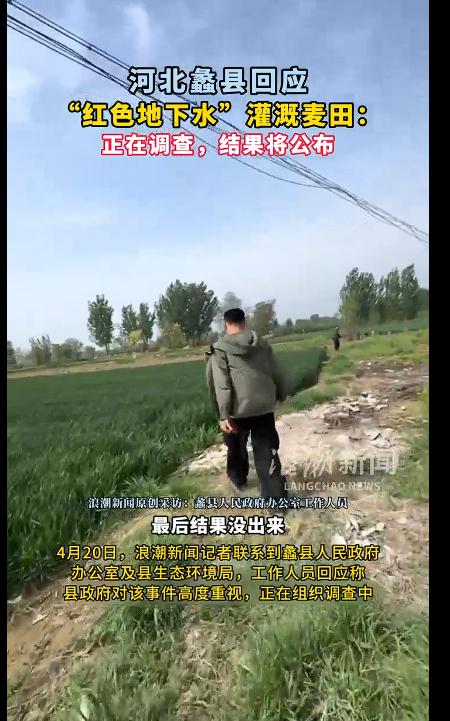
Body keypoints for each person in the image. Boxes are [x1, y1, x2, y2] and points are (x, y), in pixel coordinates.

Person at [206, 308, 288, 500]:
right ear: (244, 321)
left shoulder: (220, 348)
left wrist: (223, 414)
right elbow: (276, 370)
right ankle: (276, 500)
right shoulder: (261, 343)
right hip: (263, 407)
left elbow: (222, 385)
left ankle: (238, 481)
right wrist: (280, 395)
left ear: (226, 323)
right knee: (267, 450)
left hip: (237, 410)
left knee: (235, 447)